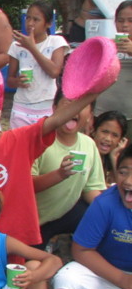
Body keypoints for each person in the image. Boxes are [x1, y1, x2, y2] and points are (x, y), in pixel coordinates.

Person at [0, 84, 107, 249]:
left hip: (18, 232)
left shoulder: (20, 139)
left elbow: (55, 121)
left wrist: (93, 94)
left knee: (20, 275)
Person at [52, 144, 132, 289]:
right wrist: (123, 279)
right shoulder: (105, 203)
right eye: (123, 172)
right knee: (65, 283)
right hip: (106, 269)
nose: (128, 181)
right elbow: (81, 250)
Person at [32, 89, 105, 248]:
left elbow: (91, 188)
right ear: (54, 108)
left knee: (94, 213)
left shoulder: (88, 144)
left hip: (65, 213)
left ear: (90, 115)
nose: (74, 109)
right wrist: (60, 174)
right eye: (68, 103)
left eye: (82, 105)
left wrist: (109, 212)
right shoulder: (39, 141)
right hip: (35, 220)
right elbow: (28, 185)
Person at [6, 0, 68, 128]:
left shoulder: (56, 42)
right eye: (28, 18)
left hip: (47, 106)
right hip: (21, 106)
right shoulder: (16, 46)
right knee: (19, 146)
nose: (30, 23)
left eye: (36, 19)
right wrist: (18, 82)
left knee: (44, 146)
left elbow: (54, 72)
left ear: (48, 23)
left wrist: (32, 48)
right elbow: (10, 80)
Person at [96, 0, 132, 119]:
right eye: (120, 20)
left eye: (130, 20)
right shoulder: (106, 45)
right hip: (103, 111)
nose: (125, 25)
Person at [90, 110, 128, 186]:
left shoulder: (109, 160)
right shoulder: (85, 154)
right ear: (94, 131)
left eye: (115, 135)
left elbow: (122, 186)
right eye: (105, 131)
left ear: (120, 140)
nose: (108, 139)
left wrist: (113, 157)